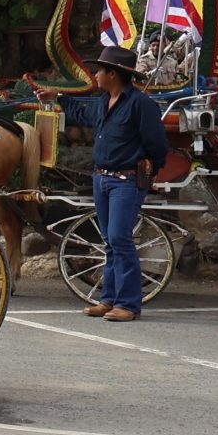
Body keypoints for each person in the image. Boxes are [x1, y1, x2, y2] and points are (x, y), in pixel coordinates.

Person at [83, 44, 167, 323]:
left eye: (100, 70)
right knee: (110, 240)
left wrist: (151, 169)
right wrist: (55, 98)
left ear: (113, 74)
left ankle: (128, 304)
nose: (96, 75)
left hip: (126, 181)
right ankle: (108, 298)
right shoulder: (102, 102)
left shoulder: (141, 104)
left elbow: (157, 144)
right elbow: (80, 113)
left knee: (119, 238)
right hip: (101, 178)